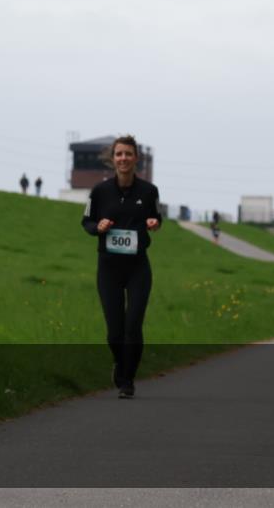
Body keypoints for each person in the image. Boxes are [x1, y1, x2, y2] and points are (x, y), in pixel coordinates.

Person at [81, 135, 162, 399]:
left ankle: (127, 380)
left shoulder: (149, 191)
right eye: (119, 154)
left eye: (128, 154)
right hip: (109, 268)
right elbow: (87, 222)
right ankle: (120, 364)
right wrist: (98, 227)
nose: (123, 159)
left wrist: (154, 223)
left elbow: (156, 216)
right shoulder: (100, 192)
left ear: (136, 158)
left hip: (138, 266)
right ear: (112, 159)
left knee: (133, 326)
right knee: (115, 331)